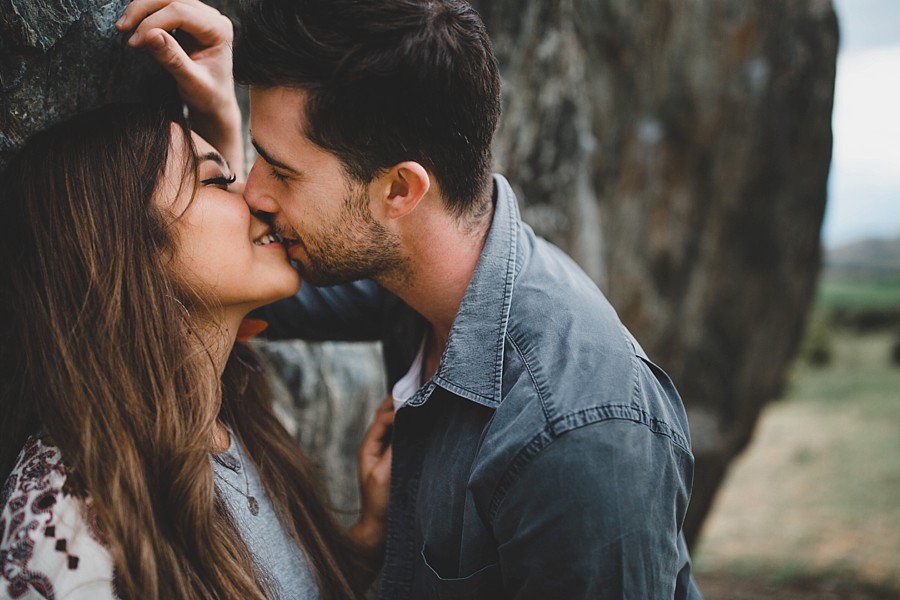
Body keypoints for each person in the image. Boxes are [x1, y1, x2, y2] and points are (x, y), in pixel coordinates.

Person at [118, 0, 704, 597]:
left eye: (283, 171)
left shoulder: (579, 437)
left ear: (399, 189)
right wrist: (217, 116)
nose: (254, 194)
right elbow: (228, 285)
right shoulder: (415, 275)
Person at [0, 102, 394, 599]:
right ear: (128, 243)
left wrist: (366, 539)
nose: (255, 195)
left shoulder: (230, 418)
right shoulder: (63, 533)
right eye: (214, 181)